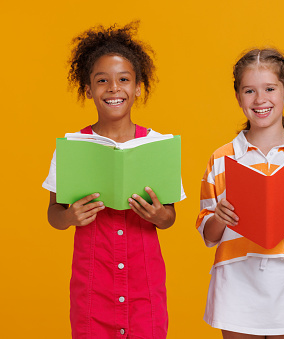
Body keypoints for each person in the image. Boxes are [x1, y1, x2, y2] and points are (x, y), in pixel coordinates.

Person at [42, 21, 185, 339]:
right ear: (88, 89)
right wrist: (69, 216)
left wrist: (159, 216)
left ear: (137, 87)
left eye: (124, 79)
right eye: (102, 80)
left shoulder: (157, 145)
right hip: (93, 287)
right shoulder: (72, 146)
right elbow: (54, 213)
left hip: (143, 289)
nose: (113, 88)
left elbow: (169, 217)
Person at [196, 48, 284, 339]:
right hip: (236, 282)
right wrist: (220, 217)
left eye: (270, 89)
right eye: (249, 91)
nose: (260, 100)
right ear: (238, 97)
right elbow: (208, 236)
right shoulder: (221, 159)